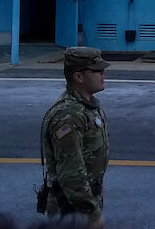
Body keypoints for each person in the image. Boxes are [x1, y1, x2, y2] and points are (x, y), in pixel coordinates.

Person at [40, 47, 110, 227]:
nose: (103, 73)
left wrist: (97, 184)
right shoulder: (68, 116)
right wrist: (91, 214)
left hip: (83, 199)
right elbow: (71, 173)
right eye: (97, 71)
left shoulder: (86, 106)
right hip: (71, 206)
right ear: (78, 77)